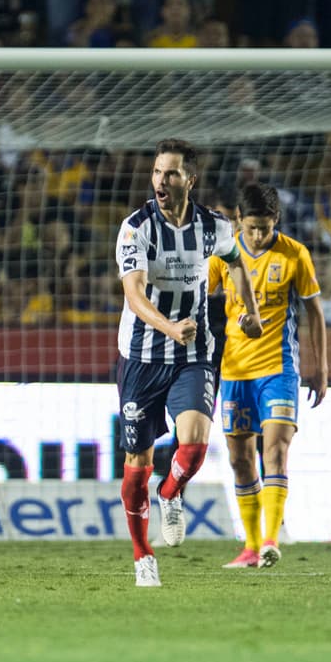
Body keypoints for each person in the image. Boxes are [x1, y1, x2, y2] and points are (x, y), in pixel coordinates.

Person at [115, 138, 263, 587]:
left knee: (195, 444)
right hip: (140, 355)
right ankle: (144, 557)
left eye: (172, 173)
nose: (162, 180)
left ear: (189, 181)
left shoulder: (212, 226)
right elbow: (134, 294)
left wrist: (250, 310)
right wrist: (168, 326)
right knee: (136, 462)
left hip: (193, 352)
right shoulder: (135, 228)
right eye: (158, 172)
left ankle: (171, 491)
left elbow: (237, 261)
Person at [209, 183, 327, 569]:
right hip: (234, 371)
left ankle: (272, 540)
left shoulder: (294, 254)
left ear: (276, 221)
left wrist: (321, 367)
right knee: (239, 459)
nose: (258, 236)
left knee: (274, 451)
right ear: (239, 220)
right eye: (252, 228)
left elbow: (314, 313)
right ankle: (250, 546)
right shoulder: (223, 255)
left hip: (278, 370)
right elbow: (197, 295)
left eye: (265, 228)